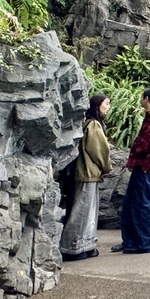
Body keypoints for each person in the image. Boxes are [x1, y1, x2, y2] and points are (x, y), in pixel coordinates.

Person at [113, 88, 150, 254]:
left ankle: (143, 243)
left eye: (141, 97)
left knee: (143, 205)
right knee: (131, 204)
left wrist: (145, 166)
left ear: (146, 98)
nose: (140, 99)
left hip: (145, 168)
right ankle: (130, 241)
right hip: (139, 166)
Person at [60, 94, 112, 260]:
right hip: (87, 172)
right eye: (106, 104)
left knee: (87, 211)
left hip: (87, 172)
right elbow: (100, 151)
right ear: (97, 106)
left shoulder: (89, 123)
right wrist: (106, 167)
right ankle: (71, 247)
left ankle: (86, 245)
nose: (108, 107)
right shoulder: (94, 125)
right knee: (82, 211)